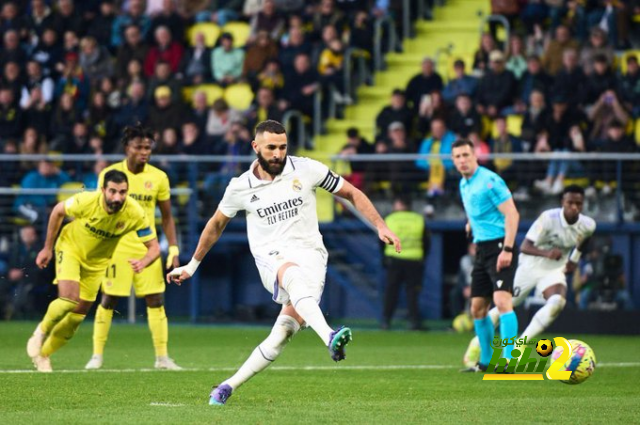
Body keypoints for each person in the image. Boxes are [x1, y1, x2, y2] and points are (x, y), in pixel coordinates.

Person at [167, 120, 401, 405]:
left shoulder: (306, 169)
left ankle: (227, 386)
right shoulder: (240, 187)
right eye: (271, 148)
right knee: (290, 274)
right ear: (255, 147)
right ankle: (329, 335)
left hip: (313, 255)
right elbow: (216, 225)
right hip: (271, 257)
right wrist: (191, 265)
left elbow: (350, 192)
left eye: (282, 147)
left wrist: (380, 225)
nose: (278, 153)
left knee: (282, 334)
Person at [27, 170, 160, 372]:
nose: (118, 197)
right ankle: (40, 333)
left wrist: (144, 261)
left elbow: (154, 248)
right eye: (113, 191)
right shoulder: (86, 201)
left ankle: (43, 355)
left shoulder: (134, 213)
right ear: (103, 190)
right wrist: (47, 247)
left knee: (76, 319)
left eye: (123, 192)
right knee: (69, 300)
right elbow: (57, 211)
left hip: (97, 264)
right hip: (70, 248)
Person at [462, 186, 596, 367]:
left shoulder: (588, 224)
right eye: (570, 202)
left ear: (583, 205)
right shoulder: (548, 218)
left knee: (557, 303)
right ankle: (476, 344)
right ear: (562, 203)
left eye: (578, 203)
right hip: (529, 267)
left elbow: (584, 239)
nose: (574, 207)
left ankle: (520, 344)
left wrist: (574, 259)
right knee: (505, 306)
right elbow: (525, 245)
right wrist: (546, 253)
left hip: (554, 271)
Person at [85, 124, 182, 371]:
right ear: (127, 147)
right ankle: (96, 356)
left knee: (156, 299)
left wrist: (172, 248)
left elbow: (167, 216)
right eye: (139, 147)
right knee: (109, 298)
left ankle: (162, 358)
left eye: (148, 147)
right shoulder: (109, 174)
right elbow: (99, 210)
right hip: (115, 246)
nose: (144, 152)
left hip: (146, 248)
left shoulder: (159, 177)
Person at [451, 139, 520, 372]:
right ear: (453, 161)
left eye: (465, 155)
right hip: (481, 249)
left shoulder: (489, 181)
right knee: (477, 308)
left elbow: (512, 214)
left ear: (475, 156)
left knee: (502, 302)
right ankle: (486, 362)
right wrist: (471, 223)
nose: (462, 160)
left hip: (500, 246)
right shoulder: (464, 184)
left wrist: (508, 249)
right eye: (458, 156)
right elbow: (478, 209)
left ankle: (511, 360)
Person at [381, 196, 430, 330]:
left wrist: (384, 258)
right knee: (412, 293)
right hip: (414, 260)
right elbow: (426, 242)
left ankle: (386, 321)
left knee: (391, 291)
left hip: (394, 259)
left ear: (398, 204)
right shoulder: (418, 219)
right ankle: (414, 321)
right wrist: (422, 257)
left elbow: (382, 239)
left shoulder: (390, 219)